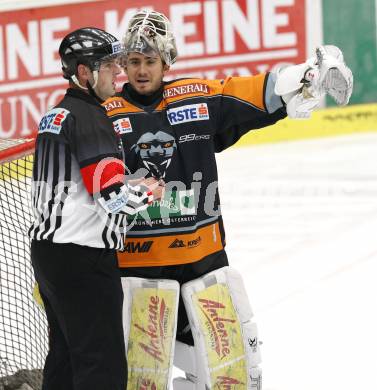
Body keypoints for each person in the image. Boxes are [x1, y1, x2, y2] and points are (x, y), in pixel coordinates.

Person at [103, 10, 353, 389]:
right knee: (141, 381)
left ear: (167, 60)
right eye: (134, 61)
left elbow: (255, 91)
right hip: (139, 268)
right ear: (123, 64)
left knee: (230, 376)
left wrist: (307, 76)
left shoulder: (196, 99)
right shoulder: (104, 117)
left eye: (150, 61)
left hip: (203, 262)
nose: (141, 70)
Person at [28, 27, 159, 390]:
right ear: (84, 72)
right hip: (83, 257)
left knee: (67, 359)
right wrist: (149, 192)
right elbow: (113, 198)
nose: (118, 72)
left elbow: (81, 185)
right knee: (102, 368)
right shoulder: (91, 118)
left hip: (49, 254)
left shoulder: (55, 114)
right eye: (109, 66)